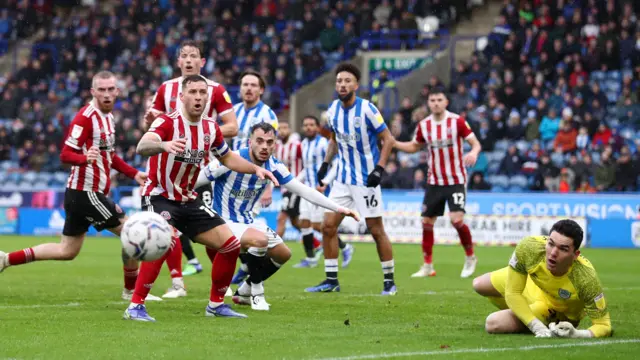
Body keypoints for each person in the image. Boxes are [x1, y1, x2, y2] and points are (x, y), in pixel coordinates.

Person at [123, 75, 278, 322]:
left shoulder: (210, 128)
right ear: (182, 96)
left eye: (202, 93)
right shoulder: (167, 121)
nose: (198, 97)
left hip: (189, 199)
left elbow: (227, 158)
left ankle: (216, 305)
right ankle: (135, 307)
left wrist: (255, 168)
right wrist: (163, 145)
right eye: (193, 92)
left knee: (230, 244)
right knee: (163, 240)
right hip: (160, 195)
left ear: (208, 98)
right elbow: (143, 145)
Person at [0, 71, 161, 301]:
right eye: (101, 90)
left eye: (110, 89)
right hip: (86, 192)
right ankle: (131, 291)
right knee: (131, 233)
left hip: (82, 194)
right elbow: (65, 154)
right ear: (93, 92)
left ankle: (6, 259)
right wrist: (85, 158)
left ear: (117, 91)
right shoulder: (85, 117)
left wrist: (134, 173)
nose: (106, 94)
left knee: (67, 251)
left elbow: (110, 156)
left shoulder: (109, 118)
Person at [194, 122, 359, 311]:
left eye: (269, 142)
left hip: (247, 221)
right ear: (250, 142)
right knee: (259, 241)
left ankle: (245, 289)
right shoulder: (230, 160)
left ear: (275, 145)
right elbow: (196, 181)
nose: (264, 146)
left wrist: (338, 208)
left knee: (283, 254)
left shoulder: (274, 166)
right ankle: (257, 293)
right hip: (223, 223)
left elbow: (305, 191)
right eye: (260, 141)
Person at [144, 40, 239, 294]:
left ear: (202, 62)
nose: (188, 60)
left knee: (211, 227)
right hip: (168, 168)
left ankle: (221, 284)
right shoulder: (165, 89)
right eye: (183, 56)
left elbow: (233, 126)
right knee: (168, 229)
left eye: (193, 56)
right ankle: (177, 283)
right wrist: (153, 126)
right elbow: (153, 129)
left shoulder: (216, 89)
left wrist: (204, 132)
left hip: (202, 170)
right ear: (178, 62)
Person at [306, 63, 397, 295]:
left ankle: (389, 282)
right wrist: (326, 163)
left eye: (347, 81)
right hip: (342, 181)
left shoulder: (367, 109)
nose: (342, 85)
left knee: (376, 230)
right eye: (339, 81)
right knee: (328, 227)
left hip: (367, 180)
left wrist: (379, 168)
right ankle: (330, 280)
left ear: (356, 85)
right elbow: (334, 139)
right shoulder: (333, 110)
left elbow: (388, 139)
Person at [472, 219, 612, 338]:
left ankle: (520, 313)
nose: (553, 253)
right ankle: (521, 310)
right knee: (478, 284)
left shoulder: (585, 278)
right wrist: (534, 325)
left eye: (563, 249)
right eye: (551, 244)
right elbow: (512, 292)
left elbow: (604, 325)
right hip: (532, 283)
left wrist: (577, 334)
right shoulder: (530, 248)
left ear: (575, 255)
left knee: (493, 323)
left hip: (553, 307)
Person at [394, 89, 481, 279]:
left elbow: (475, 143)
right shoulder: (424, 125)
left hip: (456, 179)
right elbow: (414, 146)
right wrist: (394, 143)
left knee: (456, 220)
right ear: (428, 103)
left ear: (446, 102)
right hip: (434, 181)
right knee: (426, 222)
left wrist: (473, 153)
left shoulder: (457, 121)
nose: (435, 103)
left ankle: (470, 257)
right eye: (432, 100)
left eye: (439, 100)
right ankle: (427, 266)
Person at [227, 71, 281, 285]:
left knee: (243, 228)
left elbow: (272, 153)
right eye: (245, 84)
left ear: (261, 90)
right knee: (231, 230)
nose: (248, 88)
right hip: (230, 178)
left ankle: (251, 274)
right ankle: (246, 268)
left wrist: (268, 186)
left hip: (256, 182)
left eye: (253, 85)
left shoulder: (268, 116)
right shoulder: (233, 112)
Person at [293, 115, 355, 268]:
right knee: (304, 224)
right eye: (306, 125)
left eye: (311, 125)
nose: (308, 127)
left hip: (320, 192)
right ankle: (311, 258)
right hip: (306, 190)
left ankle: (345, 247)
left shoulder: (323, 143)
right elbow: (307, 168)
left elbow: (336, 165)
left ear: (318, 127)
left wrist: (325, 182)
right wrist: (294, 181)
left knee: (318, 226)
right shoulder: (304, 144)